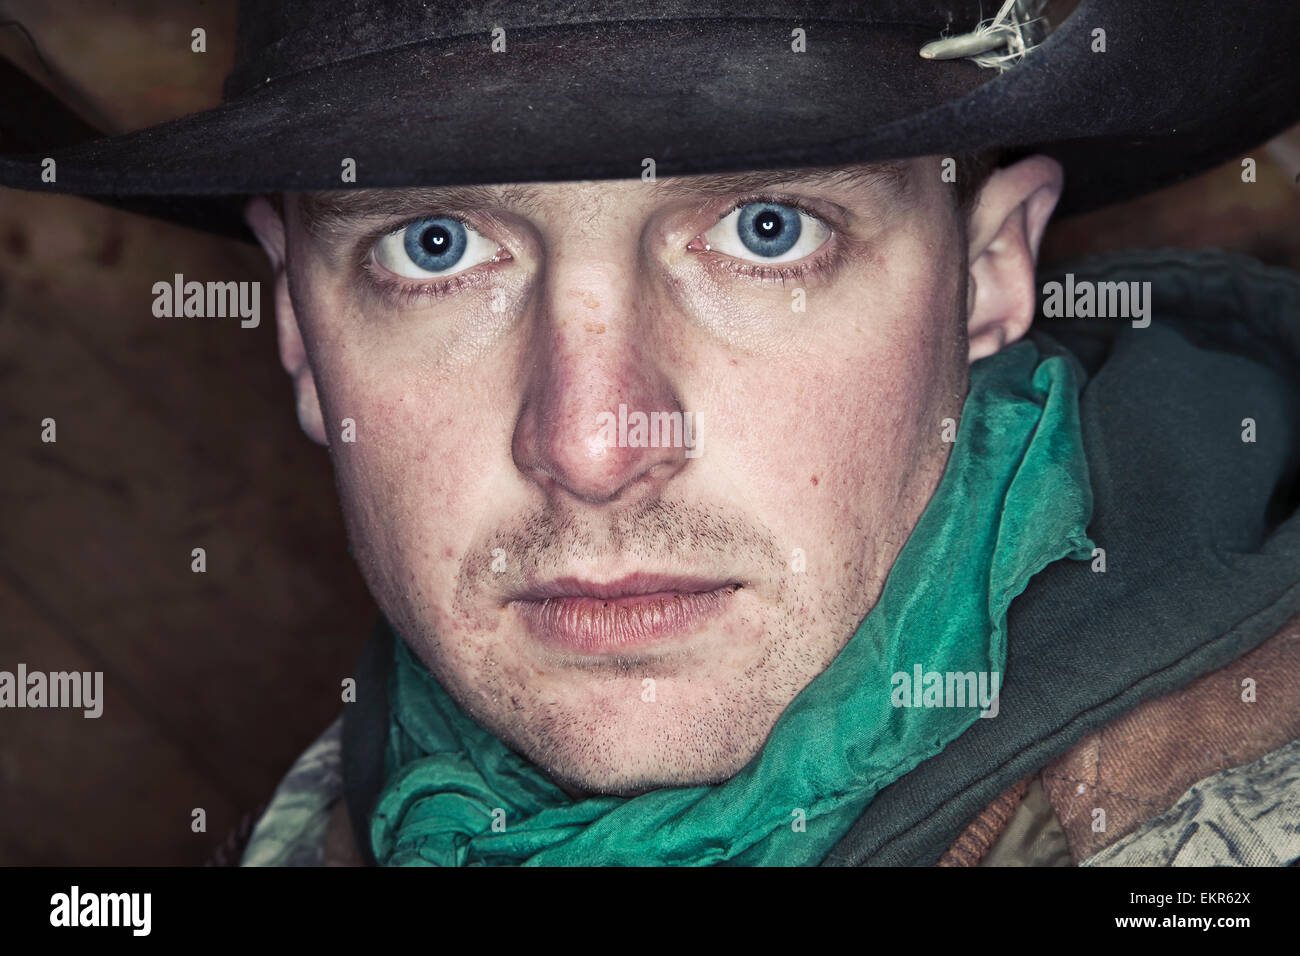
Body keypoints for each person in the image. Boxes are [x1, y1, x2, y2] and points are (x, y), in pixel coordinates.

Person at [5, 0, 1299, 867]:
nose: (593, 444)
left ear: (991, 271)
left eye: (767, 232)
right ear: (297, 321)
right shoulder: (372, 793)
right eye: (436, 248)